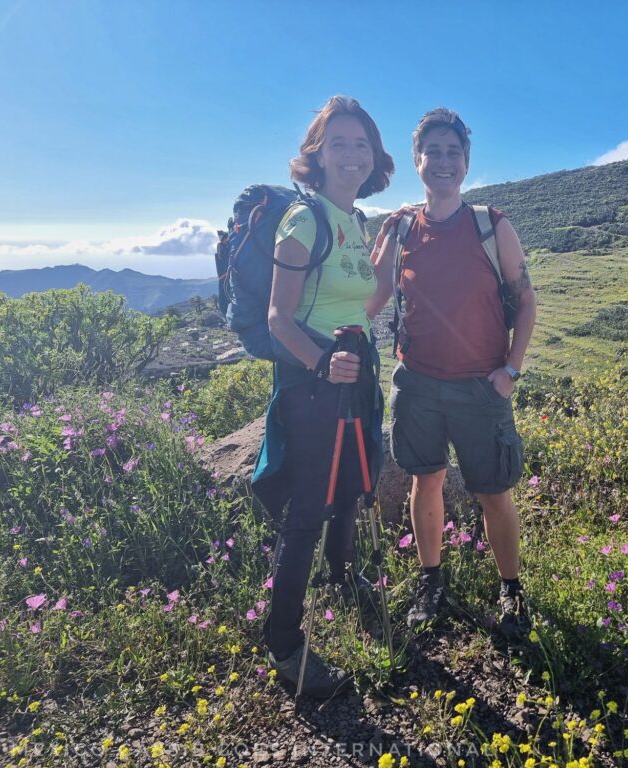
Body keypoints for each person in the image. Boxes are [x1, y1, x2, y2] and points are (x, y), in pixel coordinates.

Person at [372, 108, 538, 639]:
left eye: (453, 152)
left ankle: (511, 589)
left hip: (480, 384)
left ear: (466, 162)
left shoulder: (492, 225)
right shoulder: (399, 229)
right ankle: (431, 581)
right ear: (417, 161)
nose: (443, 162)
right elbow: (370, 298)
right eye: (433, 152)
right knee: (427, 479)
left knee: (494, 491)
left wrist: (512, 369)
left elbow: (526, 297)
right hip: (417, 382)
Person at [251, 95, 393, 697]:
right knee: (307, 510)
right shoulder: (304, 219)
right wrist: (319, 364)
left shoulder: (355, 221)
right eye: (339, 142)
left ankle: (344, 577)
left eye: (362, 143)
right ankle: (284, 644)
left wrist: (392, 241)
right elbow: (278, 317)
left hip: (353, 365)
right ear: (317, 153)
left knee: (353, 484)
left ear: (374, 156)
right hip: (314, 377)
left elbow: (367, 302)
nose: (352, 153)